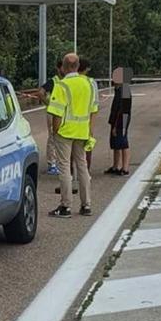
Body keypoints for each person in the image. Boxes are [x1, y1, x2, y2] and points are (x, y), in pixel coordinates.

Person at [47, 53, 97, 218]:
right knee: (82, 166)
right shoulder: (89, 84)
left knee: (64, 167)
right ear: (77, 66)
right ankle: (86, 204)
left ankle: (66, 206)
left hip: (65, 131)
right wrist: (90, 131)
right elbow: (93, 110)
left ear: (64, 67)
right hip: (82, 131)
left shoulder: (62, 85)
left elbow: (56, 112)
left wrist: (55, 132)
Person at [38, 59, 64, 176]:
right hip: (53, 113)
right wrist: (48, 104)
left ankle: (59, 161)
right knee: (53, 137)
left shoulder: (67, 80)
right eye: (63, 67)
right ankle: (52, 164)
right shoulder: (53, 81)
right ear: (58, 68)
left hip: (63, 112)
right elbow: (40, 92)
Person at [105, 67, 132, 176]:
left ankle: (125, 168)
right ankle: (115, 166)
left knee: (123, 143)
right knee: (115, 143)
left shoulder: (124, 90)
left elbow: (122, 109)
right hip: (116, 119)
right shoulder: (119, 89)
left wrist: (116, 125)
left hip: (121, 120)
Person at [78, 58, 99, 171]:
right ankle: (86, 173)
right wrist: (92, 127)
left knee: (69, 155)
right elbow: (94, 107)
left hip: (68, 125)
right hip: (86, 123)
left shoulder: (66, 81)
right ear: (86, 69)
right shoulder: (91, 83)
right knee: (87, 149)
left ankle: (70, 175)